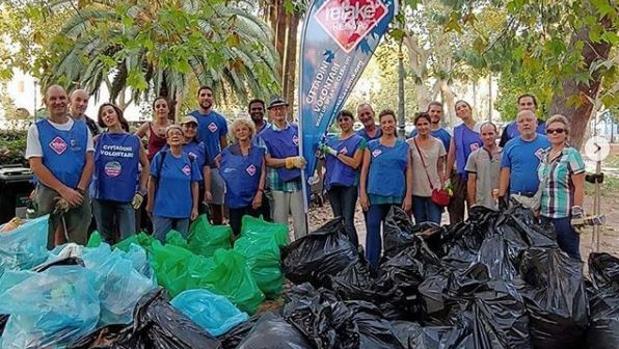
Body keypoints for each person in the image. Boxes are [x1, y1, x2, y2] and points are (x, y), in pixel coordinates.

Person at [26, 85, 94, 248]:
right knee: (45, 242)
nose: (58, 102)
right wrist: (63, 190)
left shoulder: (82, 129)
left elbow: (90, 162)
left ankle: (75, 272)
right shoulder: (36, 129)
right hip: (49, 191)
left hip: (78, 191)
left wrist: (79, 191)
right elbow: (36, 165)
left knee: (78, 245)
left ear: (68, 100)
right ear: (45, 102)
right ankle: (46, 272)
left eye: (62, 98)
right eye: (53, 98)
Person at [359, 109, 413, 269]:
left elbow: (409, 171)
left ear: (395, 123)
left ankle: (394, 267)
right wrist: (362, 193)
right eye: (384, 123)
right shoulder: (371, 146)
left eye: (390, 122)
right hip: (375, 195)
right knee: (373, 229)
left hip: (397, 196)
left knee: (395, 233)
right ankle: (372, 267)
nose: (388, 125)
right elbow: (364, 170)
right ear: (380, 125)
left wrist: (408, 195)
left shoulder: (404, 146)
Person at [92, 103, 149, 243]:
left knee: (128, 240)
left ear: (117, 113)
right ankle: (107, 264)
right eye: (104, 115)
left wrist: (141, 191)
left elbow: (146, 165)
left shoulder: (134, 140)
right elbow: (86, 164)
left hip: (126, 197)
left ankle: (128, 265)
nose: (107, 116)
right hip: (102, 197)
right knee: (105, 239)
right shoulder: (98, 140)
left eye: (110, 112)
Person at [537, 115, 585, 259]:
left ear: (566, 133)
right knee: (549, 255)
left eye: (559, 130)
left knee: (570, 254)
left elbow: (579, 187)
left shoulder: (572, 155)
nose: (555, 133)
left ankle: (574, 281)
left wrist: (576, 212)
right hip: (545, 215)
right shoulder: (544, 156)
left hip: (564, 216)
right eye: (550, 131)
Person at [260, 96, 307, 239]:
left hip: (298, 181)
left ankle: (302, 251)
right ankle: (285, 254)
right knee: (280, 222)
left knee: (300, 221)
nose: (279, 111)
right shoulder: (264, 135)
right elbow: (267, 161)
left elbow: (305, 151)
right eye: (275, 109)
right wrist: (289, 161)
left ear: (287, 109)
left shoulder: (296, 130)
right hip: (277, 183)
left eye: (281, 107)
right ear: (271, 113)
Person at [147, 125, 201, 241]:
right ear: (167, 140)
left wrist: (195, 207)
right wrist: (150, 203)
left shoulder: (190, 160)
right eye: (171, 134)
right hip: (162, 209)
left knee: (180, 245)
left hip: (183, 210)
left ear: (183, 138)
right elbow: (151, 181)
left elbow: (194, 184)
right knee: (159, 243)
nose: (175, 136)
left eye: (178, 133)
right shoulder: (160, 157)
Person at [321, 110, 366, 246]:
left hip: (348, 184)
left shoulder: (359, 141)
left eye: (346, 119)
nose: (343, 122)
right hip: (332, 184)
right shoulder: (332, 140)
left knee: (348, 221)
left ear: (352, 121)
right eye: (340, 120)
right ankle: (342, 252)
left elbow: (355, 163)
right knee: (338, 221)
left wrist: (335, 153)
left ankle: (354, 253)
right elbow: (326, 162)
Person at [218, 118, 267, 237]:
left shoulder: (259, 151)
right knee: (236, 230)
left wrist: (259, 193)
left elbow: (263, 172)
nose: (241, 132)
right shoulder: (228, 152)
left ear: (250, 131)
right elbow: (219, 165)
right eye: (238, 130)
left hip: (254, 197)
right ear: (234, 133)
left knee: (254, 231)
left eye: (244, 129)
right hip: (235, 198)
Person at [189, 86, 228, 224]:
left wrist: (222, 159)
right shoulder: (191, 118)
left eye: (209, 95)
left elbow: (224, 145)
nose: (206, 97)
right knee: (194, 200)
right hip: (193, 167)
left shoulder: (220, 120)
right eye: (203, 95)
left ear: (213, 98)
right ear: (198, 97)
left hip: (213, 167)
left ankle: (218, 228)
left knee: (217, 199)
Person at [499, 110, 551, 208]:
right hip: (518, 198)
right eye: (521, 121)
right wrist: (501, 196)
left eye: (529, 120)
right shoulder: (510, 145)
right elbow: (505, 171)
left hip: (544, 197)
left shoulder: (548, 142)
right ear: (517, 126)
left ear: (536, 123)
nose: (525, 123)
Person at [444, 100, 482, 224]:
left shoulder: (481, 128)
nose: (462, 109)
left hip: (477, 175)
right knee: (456, 210)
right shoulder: (456, 131)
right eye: (458, 108)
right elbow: (451, 154)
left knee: (475, 208)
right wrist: (447, 177)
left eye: (464, 106)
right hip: (459, 175)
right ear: (457, 114)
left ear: (470, 109)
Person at [408, 112, 446, 224]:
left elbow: (440, 167)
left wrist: (442, 185)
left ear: (430, 125)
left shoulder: (438, 143)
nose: (423, 127)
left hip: (434, 192)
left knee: (435, 226)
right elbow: (408, 169)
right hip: (416, 193)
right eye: (419, 124)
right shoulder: (409, 144)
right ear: (415, 126)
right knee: (420, 226)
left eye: (425, 124)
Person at [465, 122, 503, 210]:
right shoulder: (474, 156)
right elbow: (471, 182)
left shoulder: (504, 154)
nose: (488, 137)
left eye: (490, 134)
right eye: (484, 134)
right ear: (480, 136)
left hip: (500, 202)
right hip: (481, 202)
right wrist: (472, 204)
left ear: (496, 134)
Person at [248, 98, 271, 220]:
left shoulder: (272, 130)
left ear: (264, 111)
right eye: (253, 109)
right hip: (250, 181)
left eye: (259, 109)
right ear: (249, 111)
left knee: (270, 216)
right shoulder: (244, 131)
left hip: (270, 181)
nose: (256, 111)